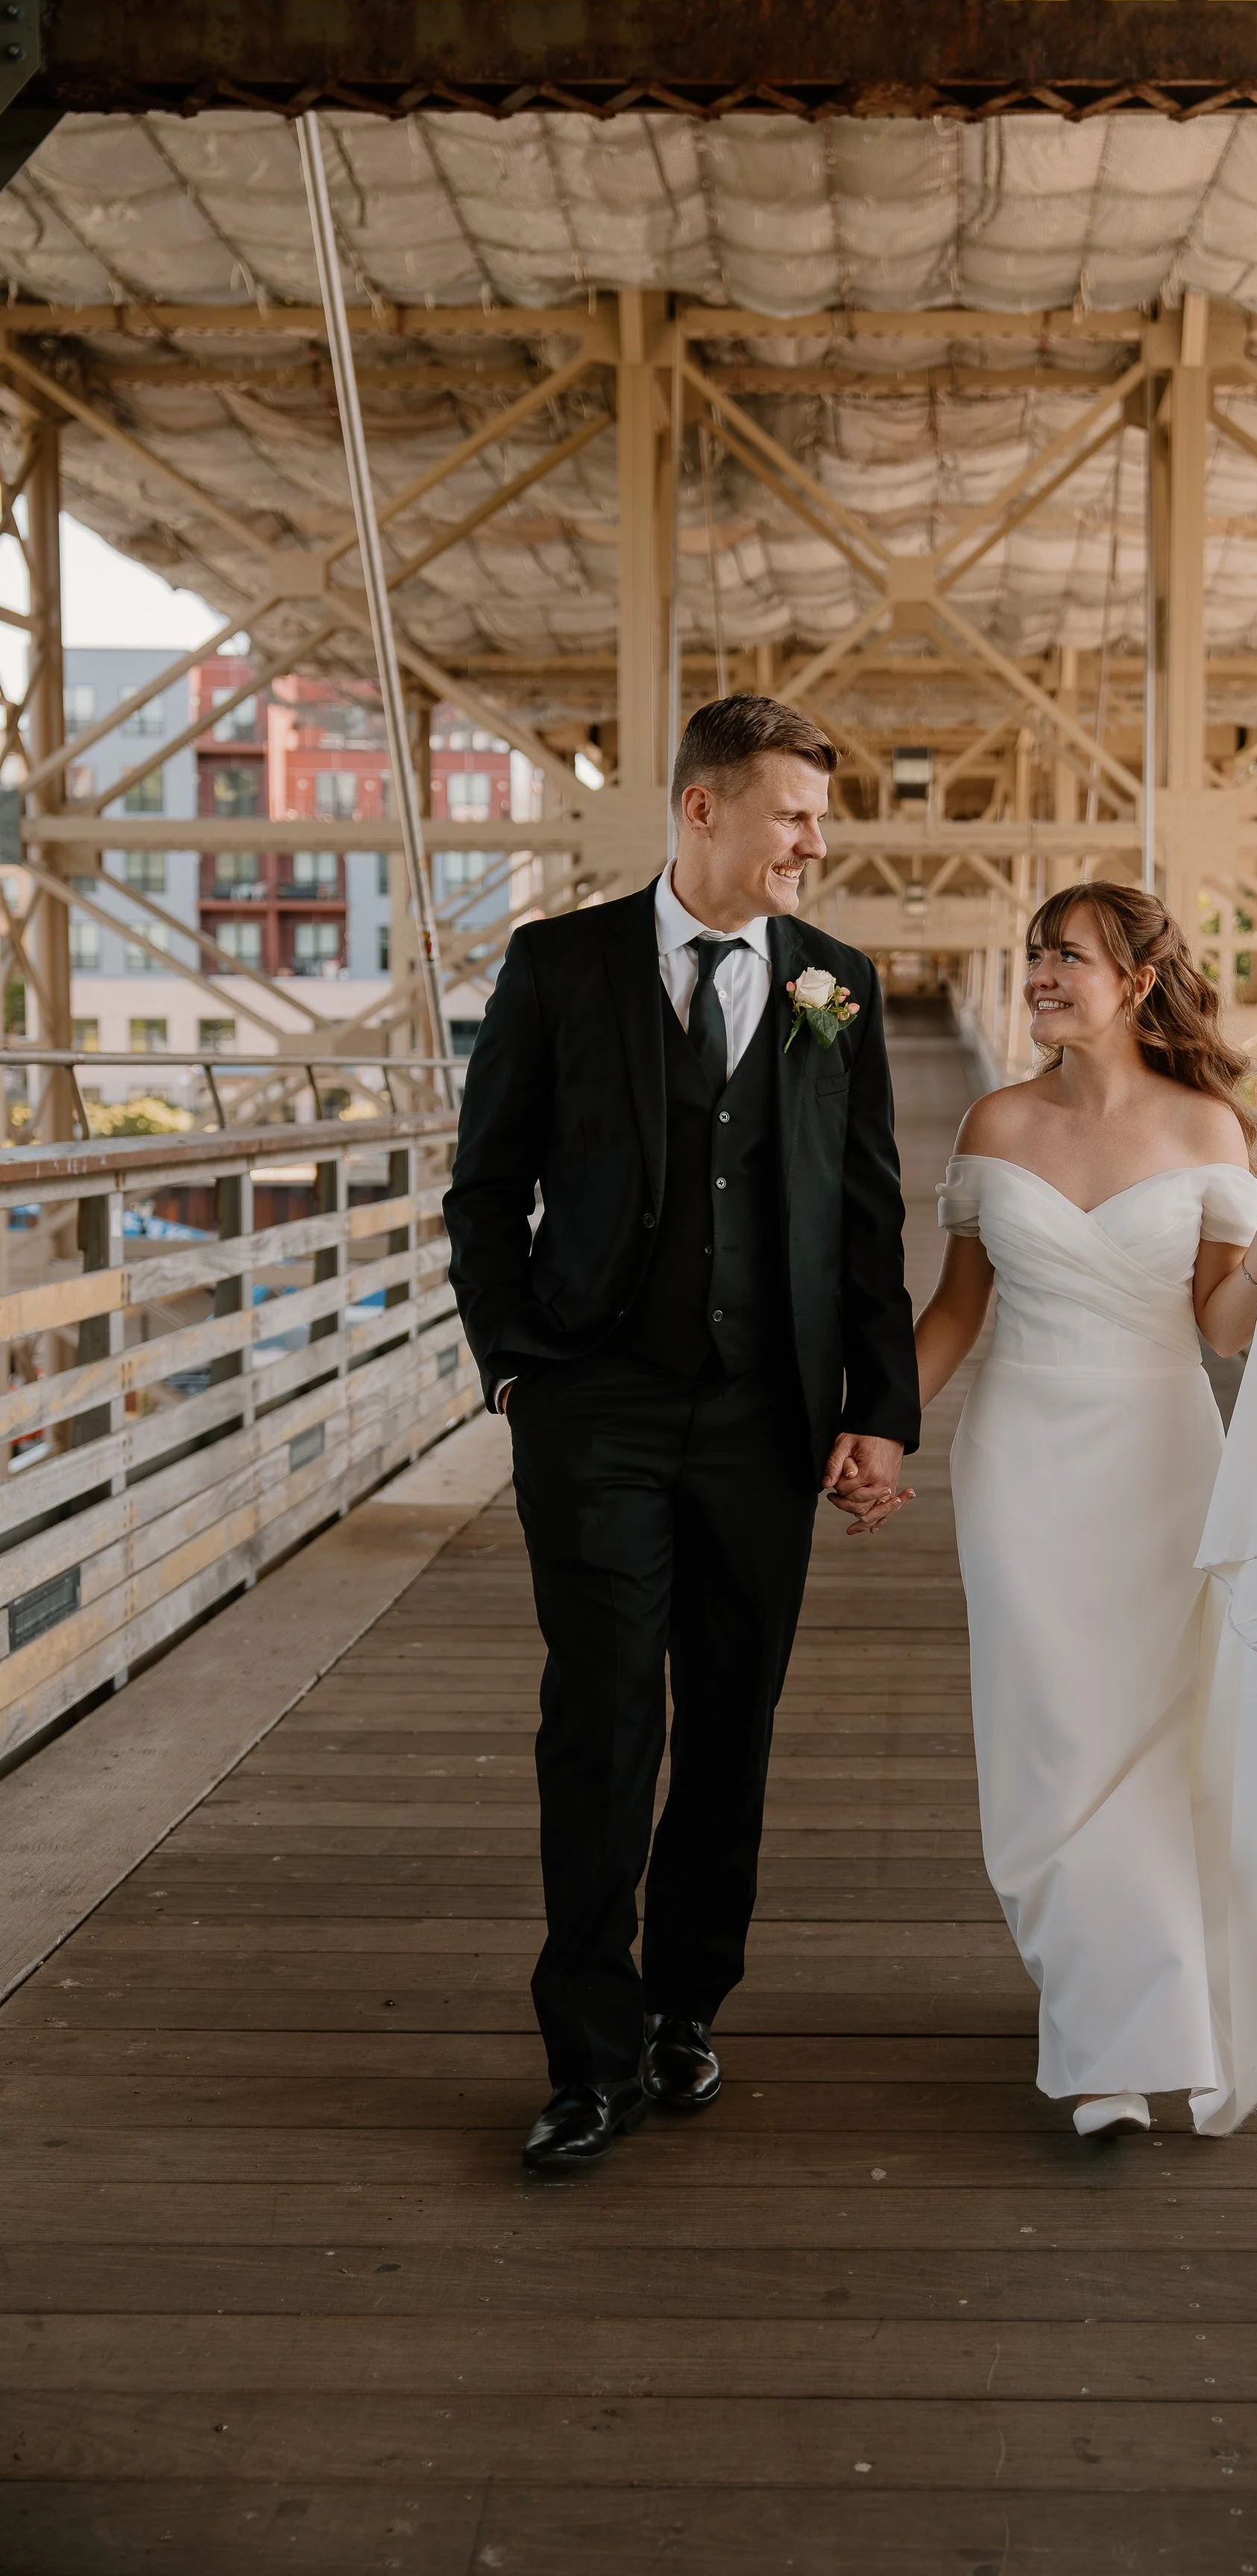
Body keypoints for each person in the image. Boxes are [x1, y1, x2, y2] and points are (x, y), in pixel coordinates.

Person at [445, 695, 920, 2172]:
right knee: (600, 1717)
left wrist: (881, 1416)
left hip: (761, 1422)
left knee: (731, 1718)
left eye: (819, 821)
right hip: (595, 1411)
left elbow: (865, 1216)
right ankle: (587, 2054)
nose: (812, 845)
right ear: (703, 812)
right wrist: (522, 1369)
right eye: (791, 815)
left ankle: (684, 2008)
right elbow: (484, 1192)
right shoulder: (558, 965)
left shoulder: (832, 985)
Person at [903, 881, 1257, 2139]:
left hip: (1164, 1452)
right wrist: (873, 1427)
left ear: (1135, 979)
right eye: (1032, 956)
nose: (1039, 976)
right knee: (1054, 1738)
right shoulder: (996, 1122)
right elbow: (957, 1311)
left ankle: (1115, 2044)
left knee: (1155, 1734)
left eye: (1065, 956)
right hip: (1020, 1454)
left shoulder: (1210, 1131)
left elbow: (1219, 1323)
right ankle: (1104, 2030)